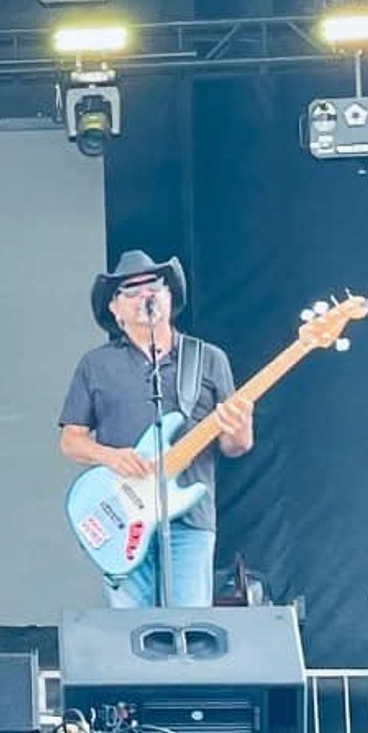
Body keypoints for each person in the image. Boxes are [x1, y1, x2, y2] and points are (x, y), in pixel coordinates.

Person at [58, 250, 253, 608]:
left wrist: (241, 427)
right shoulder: (96, 365)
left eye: (153, 286)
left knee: (189, 631)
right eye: (131, 291)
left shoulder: (208, 359)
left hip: (189, 520)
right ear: (115, 309)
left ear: (170, 296)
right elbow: (71, 440)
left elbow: (235, 446)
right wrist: (111, 457)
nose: (144, 295)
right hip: (122, 515)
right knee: (133, 635)